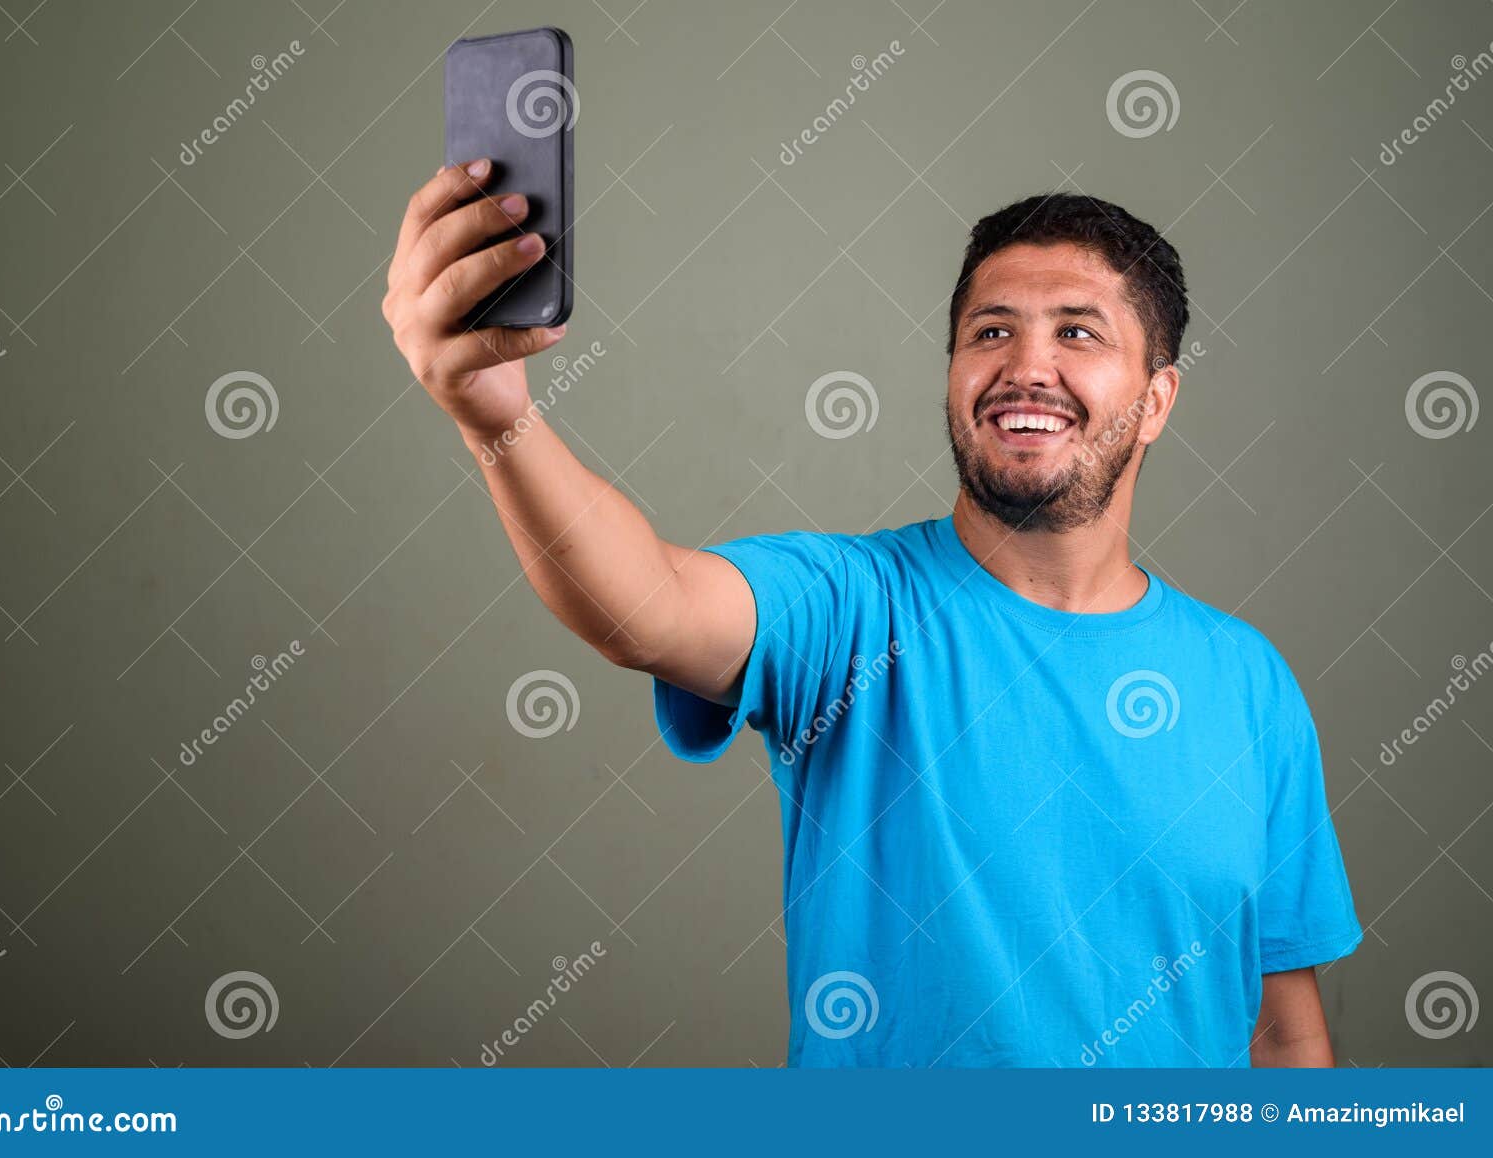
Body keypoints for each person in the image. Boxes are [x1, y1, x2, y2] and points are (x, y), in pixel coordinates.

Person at [382, 162, 1363, 1067]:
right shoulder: (850, 612)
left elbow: (1282, 1031)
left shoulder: (1249, 682)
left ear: (1154, 400)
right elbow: (647, 607)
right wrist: (491, 411)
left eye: (1076, 331)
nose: (1024, 366)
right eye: (989, 332)